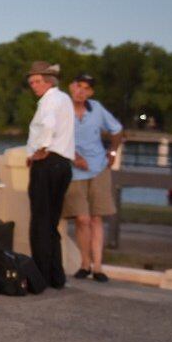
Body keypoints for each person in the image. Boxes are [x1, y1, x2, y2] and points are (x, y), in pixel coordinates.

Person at [63, 73, 123, 282]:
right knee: (82, 218)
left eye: (86, 88)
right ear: (71, 86)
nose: (81, 91)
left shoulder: (96, 108)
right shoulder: (62, 108)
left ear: (91, 92)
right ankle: (84, 263)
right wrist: (74, 156)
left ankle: (97, 267)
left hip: (99, 168)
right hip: (74, 172)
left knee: (97, 218)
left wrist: (113, 151)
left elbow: (117, 130)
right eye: (78, 86)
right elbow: (55, 137)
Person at [25, 61, 76, 289]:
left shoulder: (50, 100)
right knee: (51, 222)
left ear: (48, 81)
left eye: (37, 81)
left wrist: (40, 150)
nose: (33, 86)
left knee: (40, 222)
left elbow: (48, 125)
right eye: (31, 82)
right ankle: (56, 275)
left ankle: (40, 277)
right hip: (63, 164)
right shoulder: (64, 99)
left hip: (48, 163)